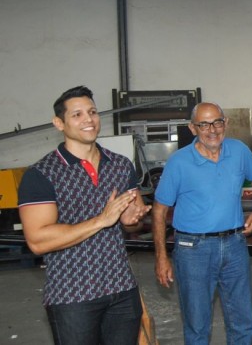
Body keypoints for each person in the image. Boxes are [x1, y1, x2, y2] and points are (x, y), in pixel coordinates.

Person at [17, 85, 151, 345]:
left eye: (92, 112)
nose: (88, 119)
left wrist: (132, 220)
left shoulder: (121, 164)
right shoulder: (41, 174)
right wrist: (102, 220)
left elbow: (131, 224)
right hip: (72, 297)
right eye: (77, 114)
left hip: (122, 291)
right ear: (59, 123)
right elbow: (37, 240)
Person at [152, 102, 252, 345]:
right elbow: (160, 211)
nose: (212, 129)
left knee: (243, 323)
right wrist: (161, 256)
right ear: (193, 128)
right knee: (197, 325)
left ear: (225, 123)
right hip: (193, 249)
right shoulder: (179, 163)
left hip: (235, 245)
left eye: (217, 122)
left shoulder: (239, 151)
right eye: (204, 124)